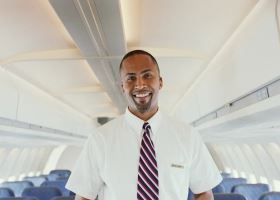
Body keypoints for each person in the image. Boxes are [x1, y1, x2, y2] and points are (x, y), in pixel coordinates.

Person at [66, 50, 222, 200]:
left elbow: (203, 193)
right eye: (131, 78)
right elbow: (83, 196)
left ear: (160, 82)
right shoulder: (100, 139)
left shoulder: (188, 136)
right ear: (122, 87)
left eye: (147, 76)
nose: (140, 85)